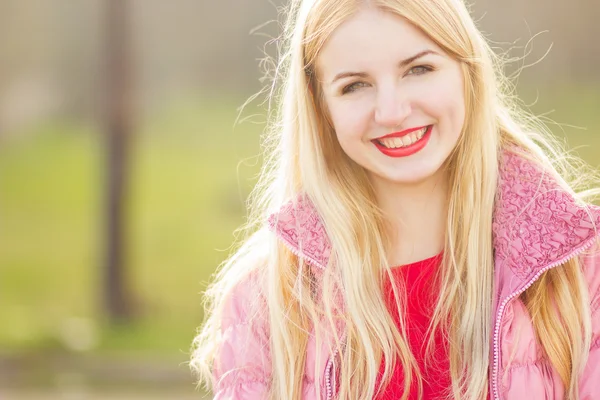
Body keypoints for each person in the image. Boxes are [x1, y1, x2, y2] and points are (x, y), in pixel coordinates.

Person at [191, 0, 600, 398]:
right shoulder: (266, 298)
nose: (391, 111)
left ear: (467, 70)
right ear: (321, 108)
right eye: (355, 85)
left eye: (418, 69)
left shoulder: (581, 269)